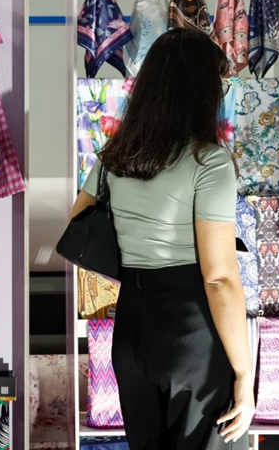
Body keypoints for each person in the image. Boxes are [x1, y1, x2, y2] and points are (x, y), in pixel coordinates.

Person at [69, 27, 254, 450]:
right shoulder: (208, 161)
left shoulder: (116, 155)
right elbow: (219, 278)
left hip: (132, 325)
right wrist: (245, 376)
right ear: (201, 90)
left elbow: (79, 221)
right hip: (191, 328)